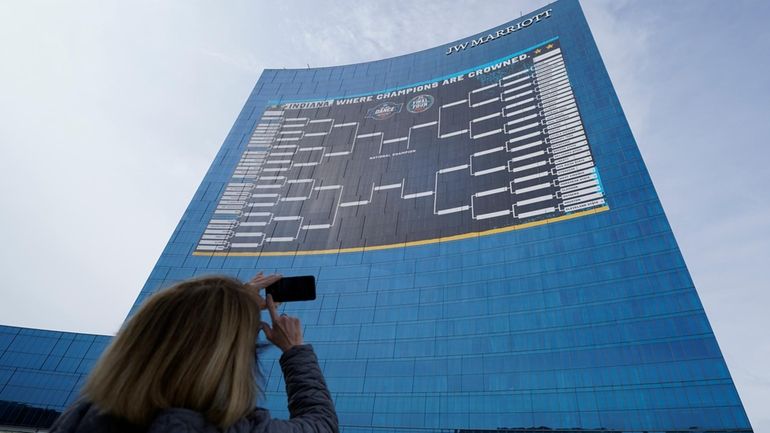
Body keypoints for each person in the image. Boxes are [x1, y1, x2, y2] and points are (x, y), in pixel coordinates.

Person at [49, 273, 339, 433]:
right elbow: (321, 425)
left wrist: (231, 301)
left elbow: (177, 326)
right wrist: (294, 350)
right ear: (228, 358)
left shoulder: (80, 416)